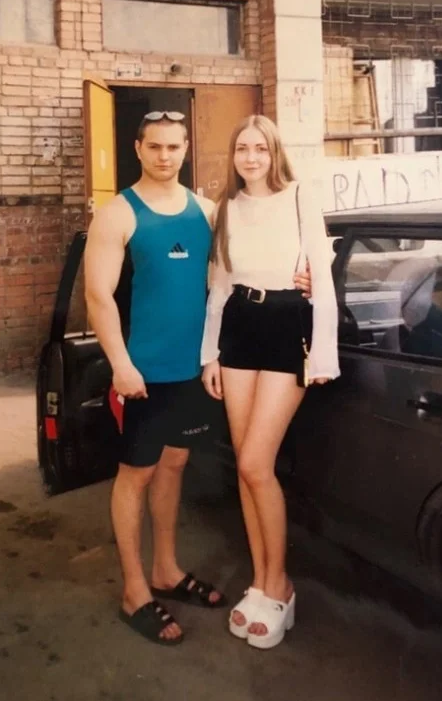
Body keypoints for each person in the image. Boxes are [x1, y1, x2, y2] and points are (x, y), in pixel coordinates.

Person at [84, 110, 311, 646]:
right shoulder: (118, 213)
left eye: (174, 147)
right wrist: (120, 364)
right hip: (143, 371)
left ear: (187, 150)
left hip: (196, 367)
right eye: (155, 146)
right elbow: (97, 296)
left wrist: (302, 277)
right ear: (138, 149)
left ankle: (165, 569)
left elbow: (240, 271)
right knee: (135, 474)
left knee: (175, 464)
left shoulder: (208, 212)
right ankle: (135, 590)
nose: (165, 156)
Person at [201, 115, 340, 650]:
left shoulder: (300, 196)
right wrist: (210, 355)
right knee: (244, 464)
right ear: (233, 155)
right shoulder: (226, 208)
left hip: (287, 327)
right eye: (242, 148)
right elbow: (219, 286)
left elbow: (321, 279)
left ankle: (281, 585)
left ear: (274, 152)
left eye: (260, 148)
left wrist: (322, 354)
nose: (251, 157)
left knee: (257, 464)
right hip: (239, 327)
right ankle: (259, 582)